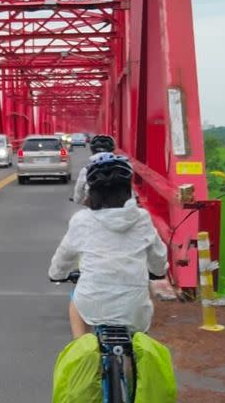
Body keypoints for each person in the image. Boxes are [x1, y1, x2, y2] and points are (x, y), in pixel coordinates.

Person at [49, 153, 169, 339]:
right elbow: (158, 256)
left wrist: (57, 274)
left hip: (93, 303)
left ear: (92, 192)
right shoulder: (142, 218)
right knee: (140, 341)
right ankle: (137, 361)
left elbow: (64, 255)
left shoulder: (82, 220)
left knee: (76, 303)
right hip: (134, 308)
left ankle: (82, 353)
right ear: (128, 189)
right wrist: (159, 271)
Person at [72, 132, 115, 204]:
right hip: (120, 207)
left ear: (92, 149)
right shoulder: (122, 166)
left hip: (95, 206)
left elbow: (79, 190)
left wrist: (77, 200)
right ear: (112, 148)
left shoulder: (86, 170)